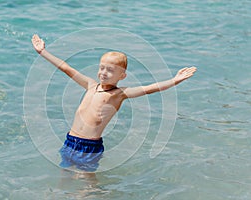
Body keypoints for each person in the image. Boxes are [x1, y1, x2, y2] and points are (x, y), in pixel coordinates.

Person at [31, 34, 197, 172]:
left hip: (90, 146)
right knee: (65, 175)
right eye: (102, 68)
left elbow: (150, 88)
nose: (104, 72)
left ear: (122, 76)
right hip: (70, 141)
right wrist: (43, 52)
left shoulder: (119, 94)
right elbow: (66, 68)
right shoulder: (90, 85)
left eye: (110, 70)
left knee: (85, 184)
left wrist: (175, 80)